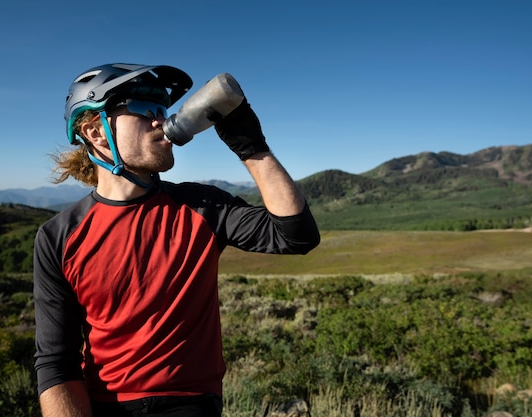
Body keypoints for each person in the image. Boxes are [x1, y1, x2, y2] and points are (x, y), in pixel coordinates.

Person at [33, 62, 320, 417]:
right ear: (95, 131)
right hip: (106, 406)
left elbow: (295, 235)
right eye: (143, 110)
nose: (160, 121)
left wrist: (251, 146)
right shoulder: (58, 236)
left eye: (161, 110)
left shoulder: (202, 206)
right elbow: (56, 363)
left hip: (191, 404)